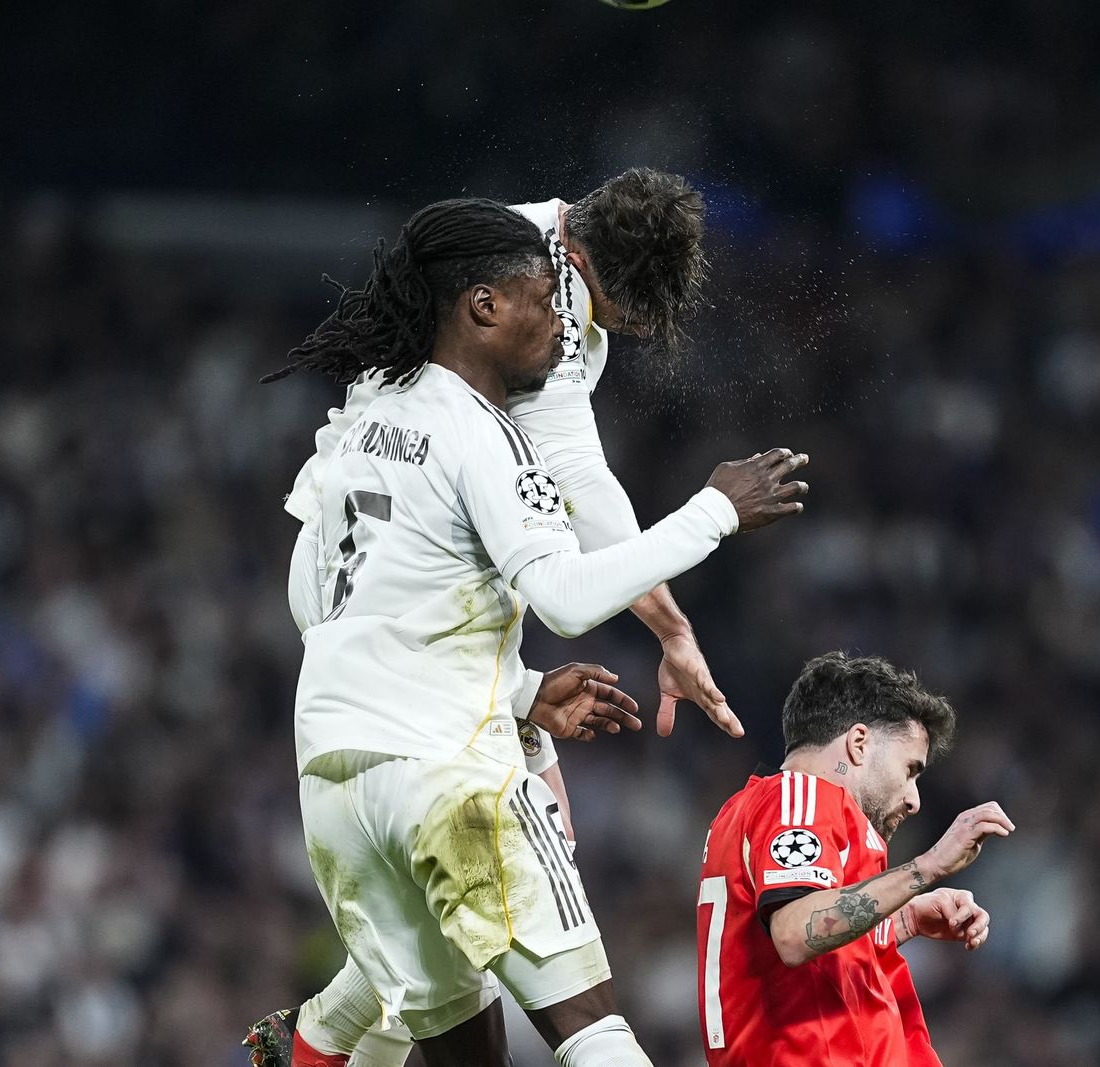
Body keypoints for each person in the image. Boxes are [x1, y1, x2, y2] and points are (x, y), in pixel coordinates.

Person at [254, 197, 808, 1067]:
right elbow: (563, 590)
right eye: (551, 307)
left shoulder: (373, 410)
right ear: (486, 305)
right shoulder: (492, 433)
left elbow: (347, 598)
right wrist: (714, 510)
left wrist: (514, 692)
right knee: (592, 1028)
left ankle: (310, 1044)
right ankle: (316, 1038)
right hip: (448, 772)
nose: (564, 329)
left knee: (425, 1020)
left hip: (333, 766)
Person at [695, 653, 1014, 1067]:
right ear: (858, 744)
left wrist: (906, 920)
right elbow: (795, 933)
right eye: (911, 769)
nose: (914, 799)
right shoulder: (800, 798)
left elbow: (809, 949)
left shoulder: (769, 810)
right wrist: (927, 867)